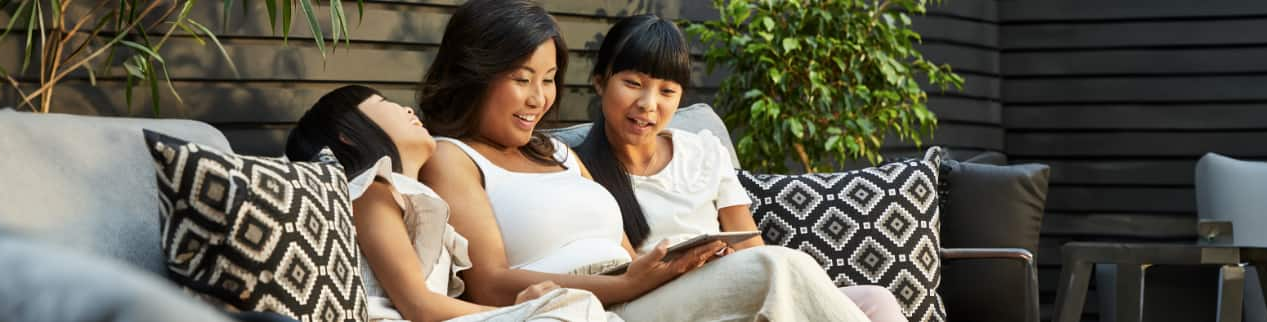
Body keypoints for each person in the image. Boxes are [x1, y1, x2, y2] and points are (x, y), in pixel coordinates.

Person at [417, 1, 873, 321]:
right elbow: (491, 284)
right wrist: (628, 286)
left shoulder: (557, 152)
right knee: (777, 268)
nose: (539, 99)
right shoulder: (453, 158)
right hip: (595, 308)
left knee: (790, 273)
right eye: (522, 79)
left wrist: (667, 268)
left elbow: (626, 256)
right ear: (475, 72)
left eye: (550, 79)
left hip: (638, 295)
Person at [572, 15, 909, 322]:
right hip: (647, 305)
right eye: (633, 83)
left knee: (875, 301)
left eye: (667, 91)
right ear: (601, 82)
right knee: (779, 265)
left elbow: (751, 247)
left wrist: (728, 259)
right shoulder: (576, 170)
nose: (648, 104)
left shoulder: (704, 150)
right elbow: (617, 276)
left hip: (725, 294)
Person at [286, 85, 618, 322]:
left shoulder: (413, 199)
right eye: (385, 103)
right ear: (347, 132)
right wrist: (519, 310)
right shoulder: (371, 193)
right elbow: (420, 306)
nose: (407, 109)